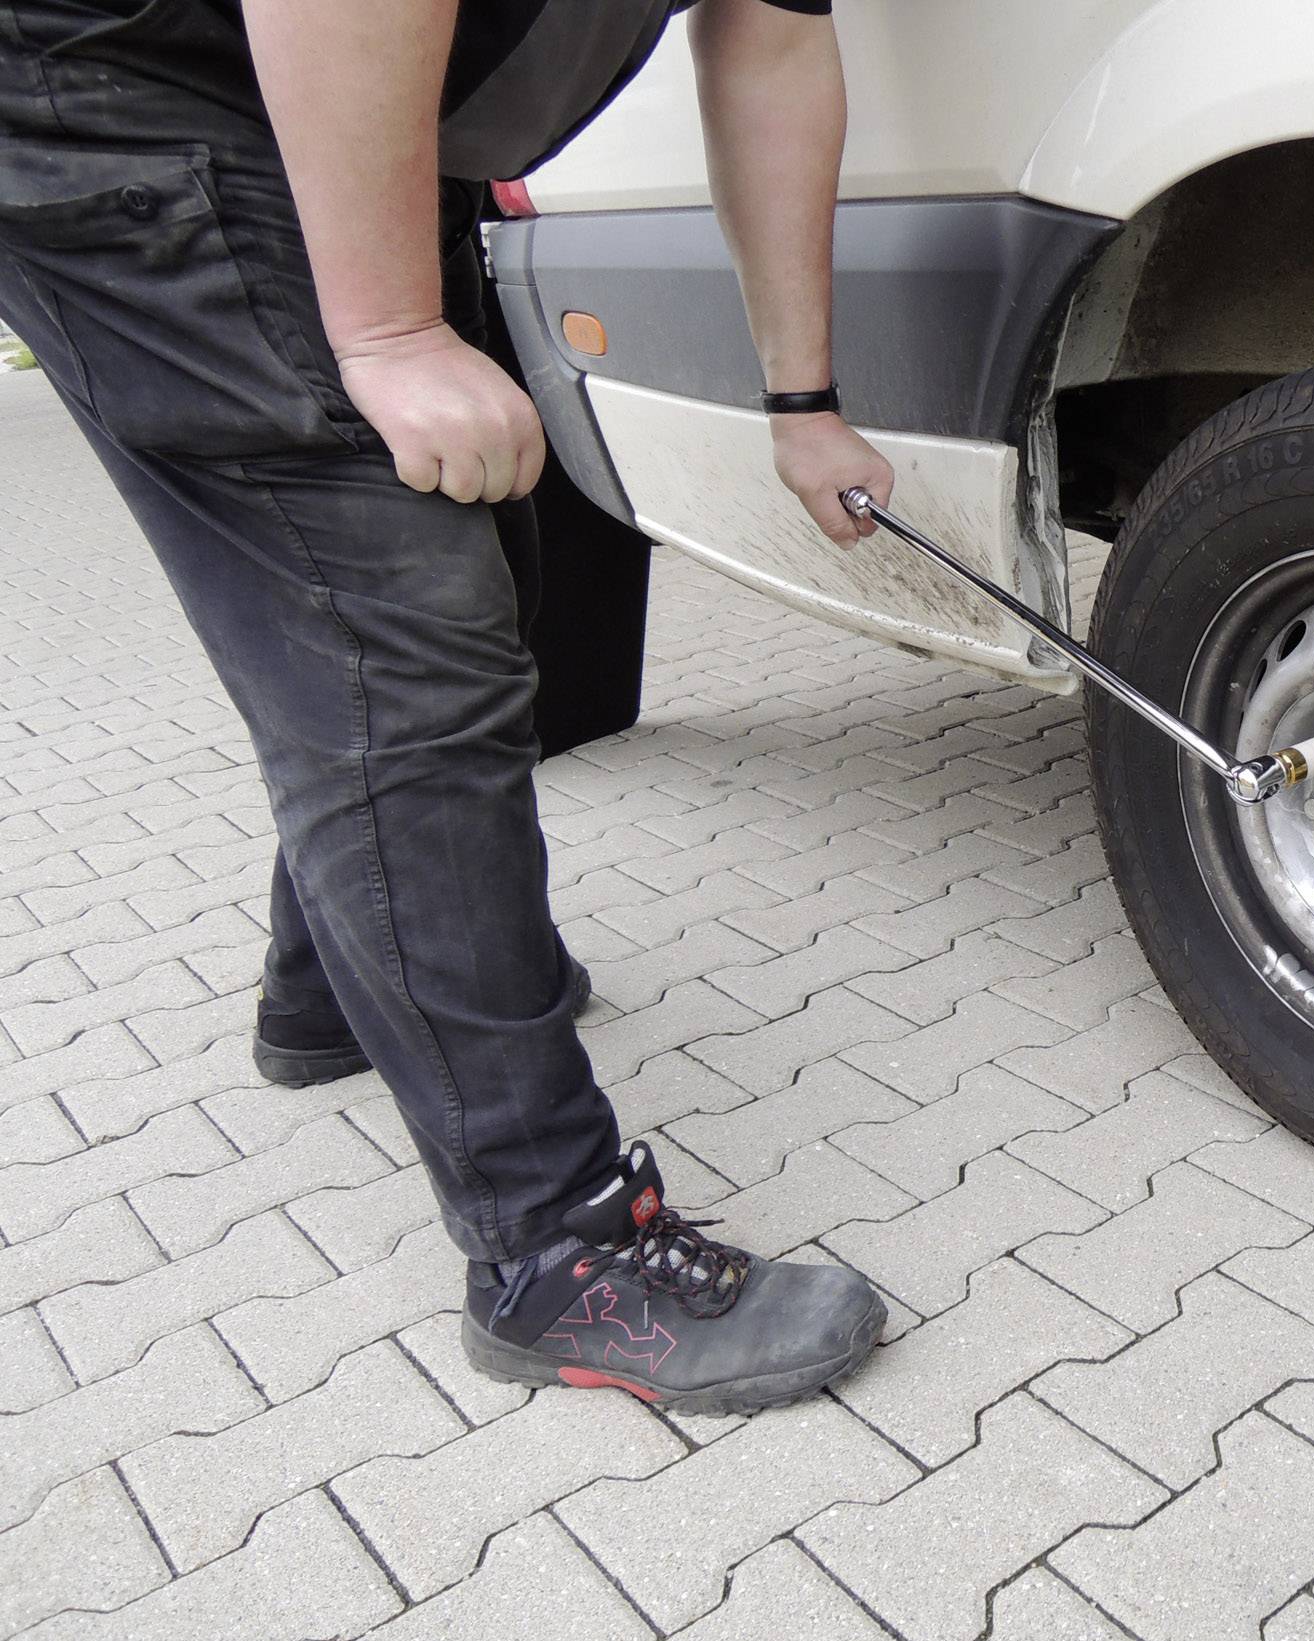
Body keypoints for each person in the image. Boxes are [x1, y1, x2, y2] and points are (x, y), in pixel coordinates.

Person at [0, 0, 898, 1413]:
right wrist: (389, 329)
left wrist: (803, 406)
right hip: (125, 91)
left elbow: (770, 45)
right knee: (398, 634)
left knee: (472, 556)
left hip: (332, 114)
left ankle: (331, 1002)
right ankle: (554, 1254)